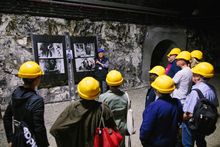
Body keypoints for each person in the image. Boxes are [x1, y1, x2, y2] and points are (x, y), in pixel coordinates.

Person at [50, 77, 117, 147]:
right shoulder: (103, 108)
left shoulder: (73, 108)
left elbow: (56, 129)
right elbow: (113, 129)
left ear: (79, 92)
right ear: (97, 93)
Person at [3, 61, 49, 147]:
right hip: (31, 141)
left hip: (17, 140)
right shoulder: (37, 100)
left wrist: (10, 139)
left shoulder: (15, 93)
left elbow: (7, 117)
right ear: (36, 80)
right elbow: (39, 128)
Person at [182, 62, 219, 147]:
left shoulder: (195, 91)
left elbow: (189, 113)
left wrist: (181, 118)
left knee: (187, 143)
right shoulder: (212, 89)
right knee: (201, 140)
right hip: (204, 122)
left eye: (194, 74)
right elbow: (215, 105)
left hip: (193, 122)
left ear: (198, 77)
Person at [140, 75, 183, 147]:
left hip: (155, 143)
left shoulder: (154, 107)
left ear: (156, 90)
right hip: (171, 141)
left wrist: (143, 140)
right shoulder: (177, 103)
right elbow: (180, 119)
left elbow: (146, 128)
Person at [99, 70, 127, 147]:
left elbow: (100, 115)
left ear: (107, 83)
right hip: (121, 127)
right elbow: (127, 114)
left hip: (108, 129)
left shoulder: (102, 97)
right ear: (120, 83)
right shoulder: (126, 96)